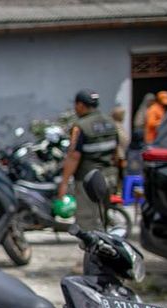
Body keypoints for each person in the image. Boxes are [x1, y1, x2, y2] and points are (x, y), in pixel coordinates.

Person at [57, 90, 119, 270]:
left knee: (87, 223)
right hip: (109, 177)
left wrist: (63, 183)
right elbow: (116, 152)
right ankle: (107, 258)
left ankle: (92, 263)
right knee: (104, 218)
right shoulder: (110, 122)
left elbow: (73, 156)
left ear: (81, 105)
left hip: (88, 181)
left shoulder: (81, 126)